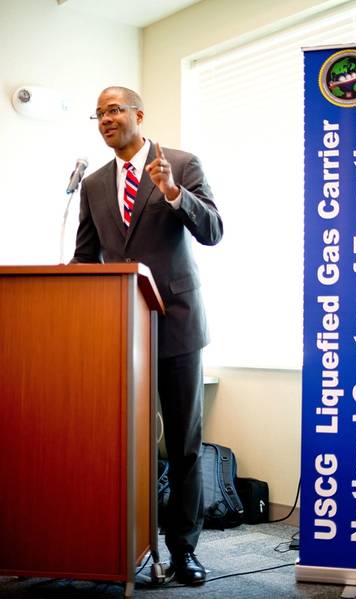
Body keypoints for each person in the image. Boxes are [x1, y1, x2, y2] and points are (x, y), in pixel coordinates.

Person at [71, 86, 223, 585]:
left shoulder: (179, 161)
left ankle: (183, 552)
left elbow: (214, 230)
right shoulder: (94, 184)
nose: (105, 119)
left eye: (114, 110)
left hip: (177, 322)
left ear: (139, 113)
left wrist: (176, 194)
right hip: (122, 328)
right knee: (118, 445)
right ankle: (123, 544)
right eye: (99, 114)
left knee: (183, 444)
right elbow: (85, 257)